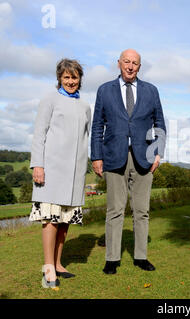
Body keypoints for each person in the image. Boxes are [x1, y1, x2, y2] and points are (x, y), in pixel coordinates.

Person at [91, 49, 166, 274]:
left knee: (142, 210)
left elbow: (159, 124)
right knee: (115, 209)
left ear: (139, 67)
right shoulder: (104, 90)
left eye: (135, 63)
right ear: (119, 64)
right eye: (127, 62)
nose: (130, 66)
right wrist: (96, 156)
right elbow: (97, 126)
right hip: (114, 156)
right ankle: (112, 259)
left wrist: (157, 152)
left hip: (144, 158)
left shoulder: (151, 91)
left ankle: (140, 257)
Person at [29, 59, 91, 289]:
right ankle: (48, 270)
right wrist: (38, 165)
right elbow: (39, 133)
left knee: (65, 220)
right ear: (59, 78)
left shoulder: (85, 106)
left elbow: (85, 138)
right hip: (52, 169)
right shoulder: (50, 100)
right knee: (51, 219)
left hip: (75, 173)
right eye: (67, 77)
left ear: (80, 79)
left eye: (74, 77)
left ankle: (58, 264)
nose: (71, 81)